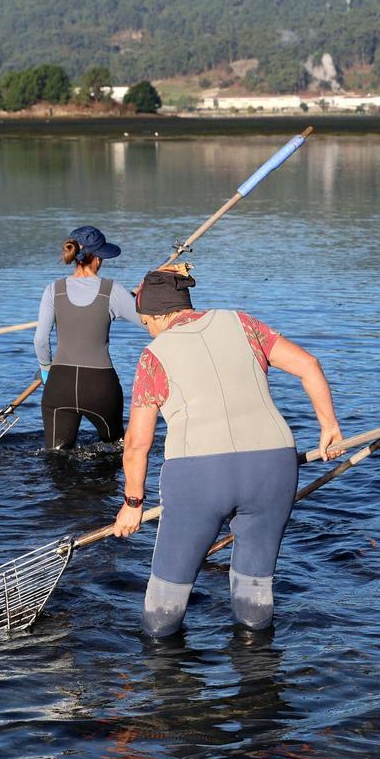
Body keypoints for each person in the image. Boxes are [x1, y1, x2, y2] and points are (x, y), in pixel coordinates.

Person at [113, 268, 342, 637]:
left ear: (158, 316)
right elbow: (308, 365)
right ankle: (257, 678)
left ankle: (163, 680)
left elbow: (138, 443)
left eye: (146, 323)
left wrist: (133, 503)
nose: (147, 331)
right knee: (256, 590)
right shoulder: (243, 323)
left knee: (164, 607)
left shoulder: (154, 355)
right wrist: (329, 427)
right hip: (274, 465)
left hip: (198, 475)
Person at [33, 226, 142, 450]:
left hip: (58, 385)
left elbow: (40, 340)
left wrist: (46, 369)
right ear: (98, 258)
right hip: (99, 387)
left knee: (56, 460)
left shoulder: (53, 289)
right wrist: (138, 300)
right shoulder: (114, 291)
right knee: (117, 451)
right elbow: (148, 322)